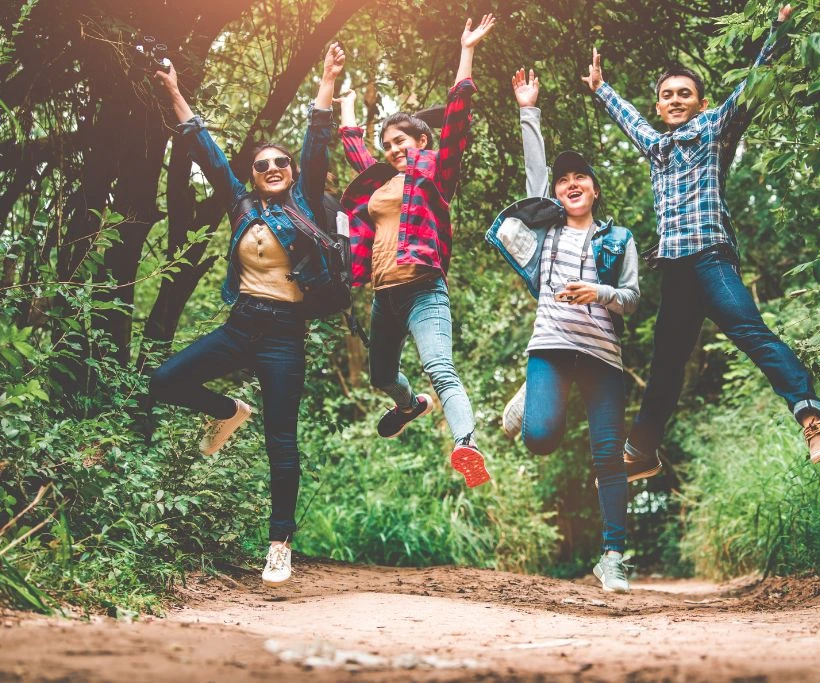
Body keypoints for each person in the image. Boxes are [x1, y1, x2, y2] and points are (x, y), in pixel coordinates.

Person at [583, 4, 820, 469]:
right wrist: (602, 90)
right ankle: (641, 450)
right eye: (668, 95)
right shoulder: (657, 147)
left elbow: (751, 86)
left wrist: (778, 28)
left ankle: (811, 418)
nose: (676, 99)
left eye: (685, 93)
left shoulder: (713, 128)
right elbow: (629, 120)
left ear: (701, 103)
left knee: (751, 332)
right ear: (659, 107)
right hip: (676, 274)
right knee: (665, 365)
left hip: (712, 261)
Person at [150, 43, 346, 587]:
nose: (275, 168)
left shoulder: (304, 201)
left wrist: (327, 79)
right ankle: (228, 409)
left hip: (285, 334)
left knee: (281, 441)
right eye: (264, 165)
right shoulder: (241, 205)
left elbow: (316, 142)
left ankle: (279, 544)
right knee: (165, 379)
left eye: (281, 162)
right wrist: (170, 84)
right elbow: (204, 145)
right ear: (254, 176)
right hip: (241, 325)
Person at [487, 68, 640, 592]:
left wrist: (599, 293)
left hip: (602, 356)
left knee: (607, 454)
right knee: (542, 438)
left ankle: (614, 557)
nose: (571, 184)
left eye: (581, 178)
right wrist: (528, 110)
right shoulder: (548, 229)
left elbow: (633, 302)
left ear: (595, 190)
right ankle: (531, 395)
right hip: (551, 346)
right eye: (564, 180)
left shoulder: (619, 239)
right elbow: (534, 178)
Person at [336, 16, 495, 488]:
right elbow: (353, 149)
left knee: (440, 367)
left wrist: (465, 51)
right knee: (381, 376)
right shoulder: (381, 182)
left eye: (400, 141)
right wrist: (345, 101)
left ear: (421, 141)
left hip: (425, 291)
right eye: (386, 145)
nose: (392, 150)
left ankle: (466, 444)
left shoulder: (435, 176)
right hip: (385, 296)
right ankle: (411, 406)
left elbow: (459, 114)